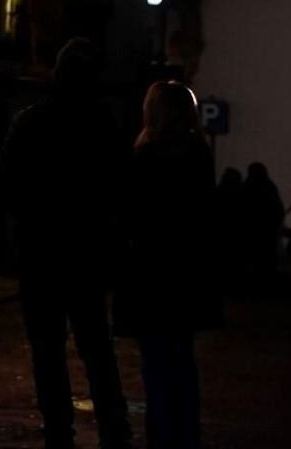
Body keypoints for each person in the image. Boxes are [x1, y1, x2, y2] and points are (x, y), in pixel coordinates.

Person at [0, 38, 133, 449]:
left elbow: (5, 179)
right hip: (85, 252)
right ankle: (114, 425)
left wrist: (29, 218)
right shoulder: (102, 124)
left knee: (47, 348)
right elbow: (118, 187)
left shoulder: (31, 121)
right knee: (95, 345)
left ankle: (59, 427)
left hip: (40, 251)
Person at [115, 80, 218, 449]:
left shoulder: (144, 156)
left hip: (150, 274)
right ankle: (186, 435)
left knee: (156, 365)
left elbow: (128, 215)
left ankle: (162, 437)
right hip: (186, 274)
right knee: (181, 361)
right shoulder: (198, 154)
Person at [241, 162, 284, 291]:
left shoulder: (248, 186)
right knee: (265, 259)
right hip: (265, 230)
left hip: (255, 230)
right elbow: (277, 208)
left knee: (257, 259)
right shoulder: (268, 186)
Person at [213, 167, 245, 291]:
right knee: (234, 259)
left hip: (224, 231)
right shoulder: (242, 192)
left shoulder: (220, 191)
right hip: (236, 232)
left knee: (225, 259)